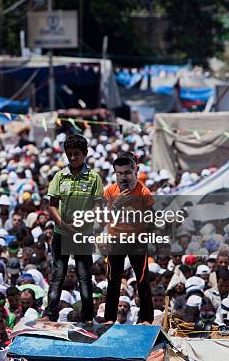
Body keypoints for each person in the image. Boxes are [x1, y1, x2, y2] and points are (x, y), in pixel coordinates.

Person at [41, 134, 103, 323]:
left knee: (84, 276)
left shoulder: (94, 178)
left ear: (85, 153)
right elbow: (52, 204)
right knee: (58, 275)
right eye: (69, 155)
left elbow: (97, 205)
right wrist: (62, 224)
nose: (73, 158)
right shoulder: (60, 177)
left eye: (76, 154)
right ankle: (50, 313)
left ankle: (86, 316)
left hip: (83, 235)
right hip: (61, 234)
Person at [103, 151, 154, 324]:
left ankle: (146, 318)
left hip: (137, 241)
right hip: (115, 241)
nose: (123, 177)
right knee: (113, 280)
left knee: (142, 280)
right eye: (120, 173)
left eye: (127, 173)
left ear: (135, 171)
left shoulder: (144, 191)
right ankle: (109, 318)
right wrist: (117, 204)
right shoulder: (110, 191)